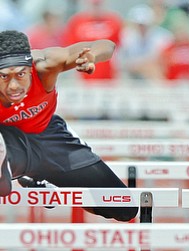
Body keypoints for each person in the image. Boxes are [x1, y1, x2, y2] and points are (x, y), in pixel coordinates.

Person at [0, 30, 138, 222]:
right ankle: (11, 166)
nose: (14, 86)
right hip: (10, 142)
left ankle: (41, 179)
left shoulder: (46, 64)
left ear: (31, 67)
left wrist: (91, 56)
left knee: (125, 208)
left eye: (21, 75)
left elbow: (107, 45)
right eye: (5, 77)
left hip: (51, 137)